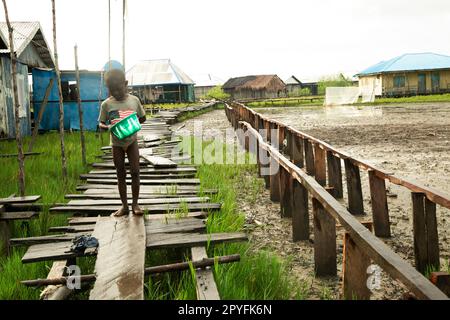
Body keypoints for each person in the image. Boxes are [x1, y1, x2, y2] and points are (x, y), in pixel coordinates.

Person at [98, 69, 146, 216]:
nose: (116, 93)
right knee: (120, 173)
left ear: (125, 84)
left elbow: (142, 118)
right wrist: (108, 127)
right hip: (116, 143)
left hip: (132, 142)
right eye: (112, 91)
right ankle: (124, 206)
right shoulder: (106, 104)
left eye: (119, 89)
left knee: (135, 172)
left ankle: (135, 204)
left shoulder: (134, 100)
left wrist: (132, 123)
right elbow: (100, 123)